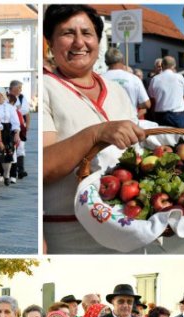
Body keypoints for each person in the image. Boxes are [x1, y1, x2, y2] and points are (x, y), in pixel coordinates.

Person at [42, 5, 147, 253]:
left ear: (98, 41)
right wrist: (96, 134)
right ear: (50, 42)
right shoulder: (45, 88)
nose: (79, 42)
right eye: (68, 33)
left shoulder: (117, 91)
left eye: (87, 33)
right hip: (73, 233)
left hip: (128, 224)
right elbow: (44, 167)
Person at [102, 48, 151, 119]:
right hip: (130, 121)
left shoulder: (99, 78)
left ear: (106, 62)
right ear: (122, 61)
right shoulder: (134, 79)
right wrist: (132, 103)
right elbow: (147, 104)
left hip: (108, 121)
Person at [0, 88, 21, 187]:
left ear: (4, 97)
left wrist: (16, 133)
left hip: (7, 132)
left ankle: (6, 175)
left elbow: (15, 122)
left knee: (8, 156)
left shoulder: (10, 108)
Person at [147, 56, 184, 128]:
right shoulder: (179, 77)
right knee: (180, 138)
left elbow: (152, 99)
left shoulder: (154, 79)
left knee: (162, 138)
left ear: (162, 65)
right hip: (177, 115)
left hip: (160, 115)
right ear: (174, 66)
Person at [9, 80, 31, 179]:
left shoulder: (22, 98)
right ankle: (10, 170)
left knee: (21, 146)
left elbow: (26, 112)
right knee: (10, 147)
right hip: (9, 125)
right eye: (19, 88)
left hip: (21, 124)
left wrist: (27, 126)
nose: (20, 90)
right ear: (13, 88)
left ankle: (21, 169)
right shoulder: (6, 97)